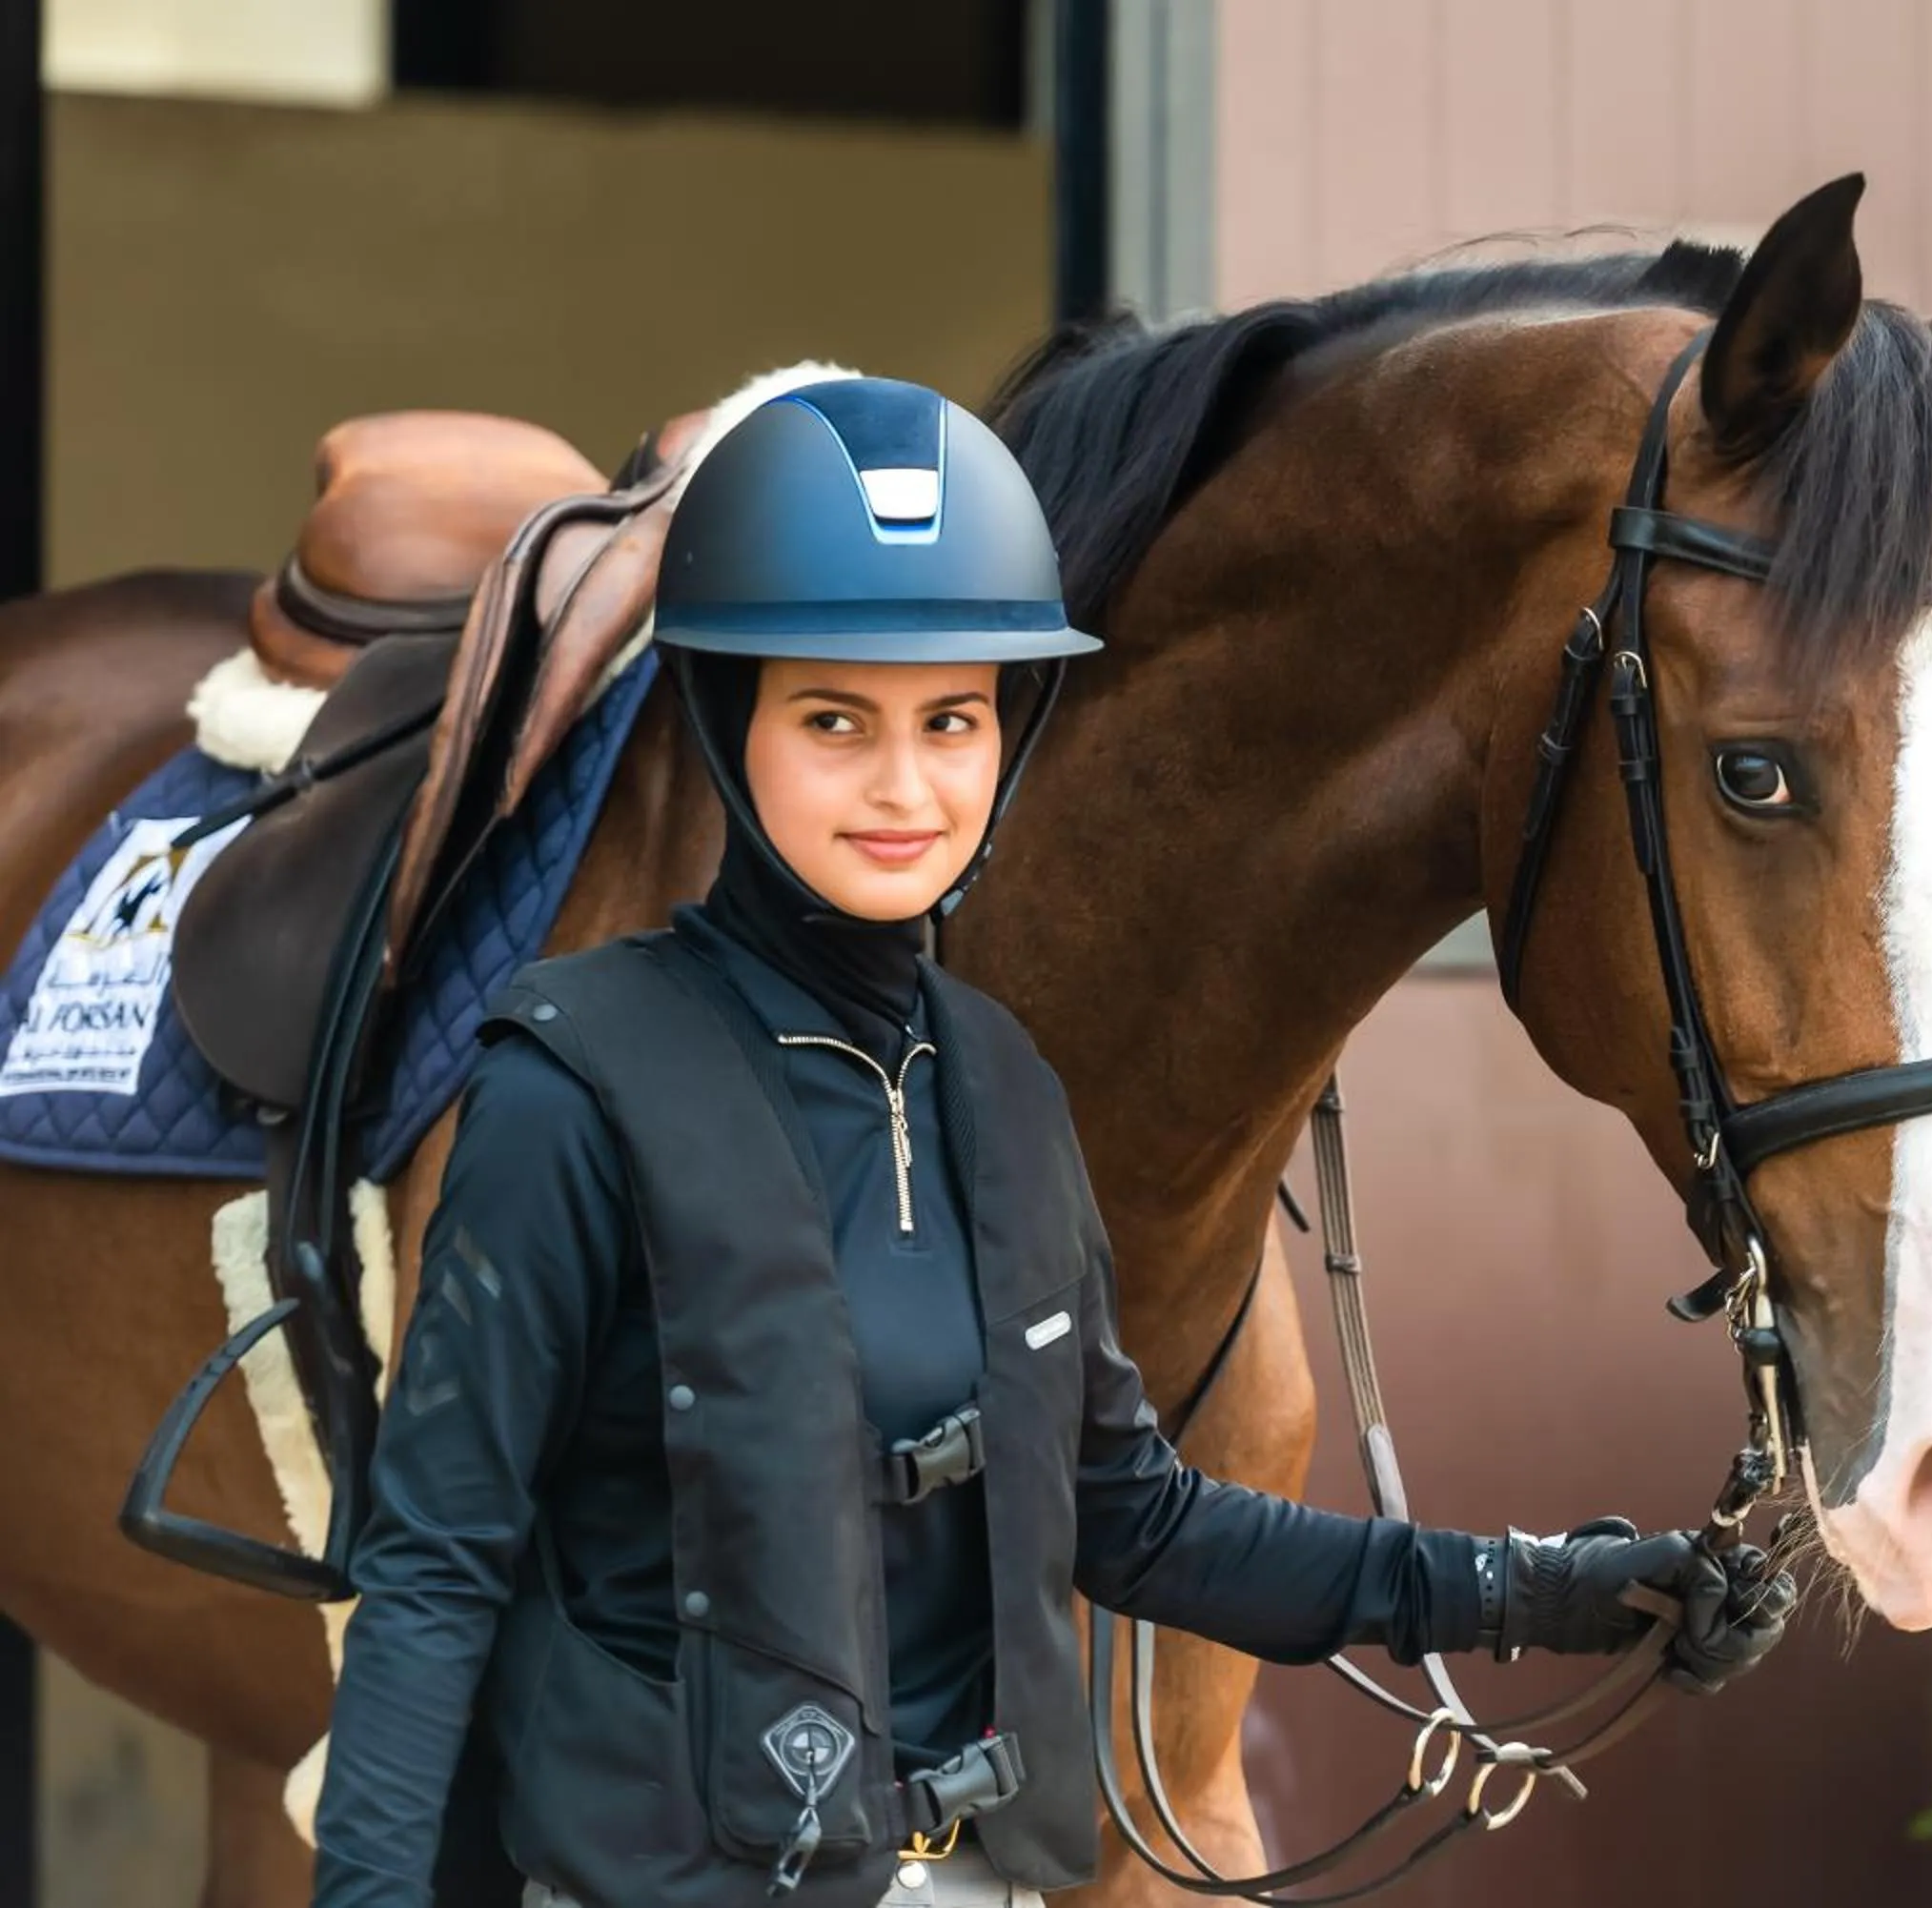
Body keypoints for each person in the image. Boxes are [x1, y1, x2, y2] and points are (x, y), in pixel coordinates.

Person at [306, 376, 1795, 1908]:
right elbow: (433, 1576)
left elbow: (1135, 1518)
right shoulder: (570, 1085)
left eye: (951, 720)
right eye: (835, 720)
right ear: (726, 714)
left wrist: (1539, 1588)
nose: (905, 786)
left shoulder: (1004, 1086)